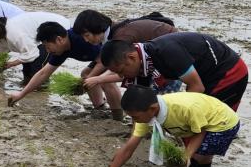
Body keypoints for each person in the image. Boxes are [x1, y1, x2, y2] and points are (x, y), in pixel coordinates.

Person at [92, 86, 240, 167]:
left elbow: (200, 132)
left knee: (185, 166)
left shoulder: (183, 109)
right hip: (200, 123)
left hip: (222, 124)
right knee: (200, 166)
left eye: (135, 117)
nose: (134, 120)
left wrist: (186, 156)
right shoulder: (146, 115)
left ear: (153, 109)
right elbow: (127, 150)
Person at [100, 32, 248, 110]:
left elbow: (197, 87)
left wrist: (173, 113)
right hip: (206, 76)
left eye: (121, 70)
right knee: (198, 127)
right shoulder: (144, 63)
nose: (121, 76)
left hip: (229, 71)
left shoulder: (166, 52)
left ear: (131, 57)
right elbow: (141, 103)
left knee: (209, 121)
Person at [8, 21, 123, 118]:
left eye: (48, 46)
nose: (47, 51)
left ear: (59, 39)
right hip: (102, 58)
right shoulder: (61, 50)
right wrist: (21, 94)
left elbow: (103, 60)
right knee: (86, 74)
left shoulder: (82, 40)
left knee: (105, 81)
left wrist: (91, 78)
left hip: (117, 55)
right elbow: (43, 73)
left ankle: (118, 115)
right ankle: (100, 108)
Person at [0, 12, 70, 84]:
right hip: (37, 37)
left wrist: (11, 64)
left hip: (57, 29)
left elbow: (32, 53)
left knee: (36, 69)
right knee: (27, 72)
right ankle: (31, 88)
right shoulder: (1, 38)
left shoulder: (14, 33)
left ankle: (41, 90)